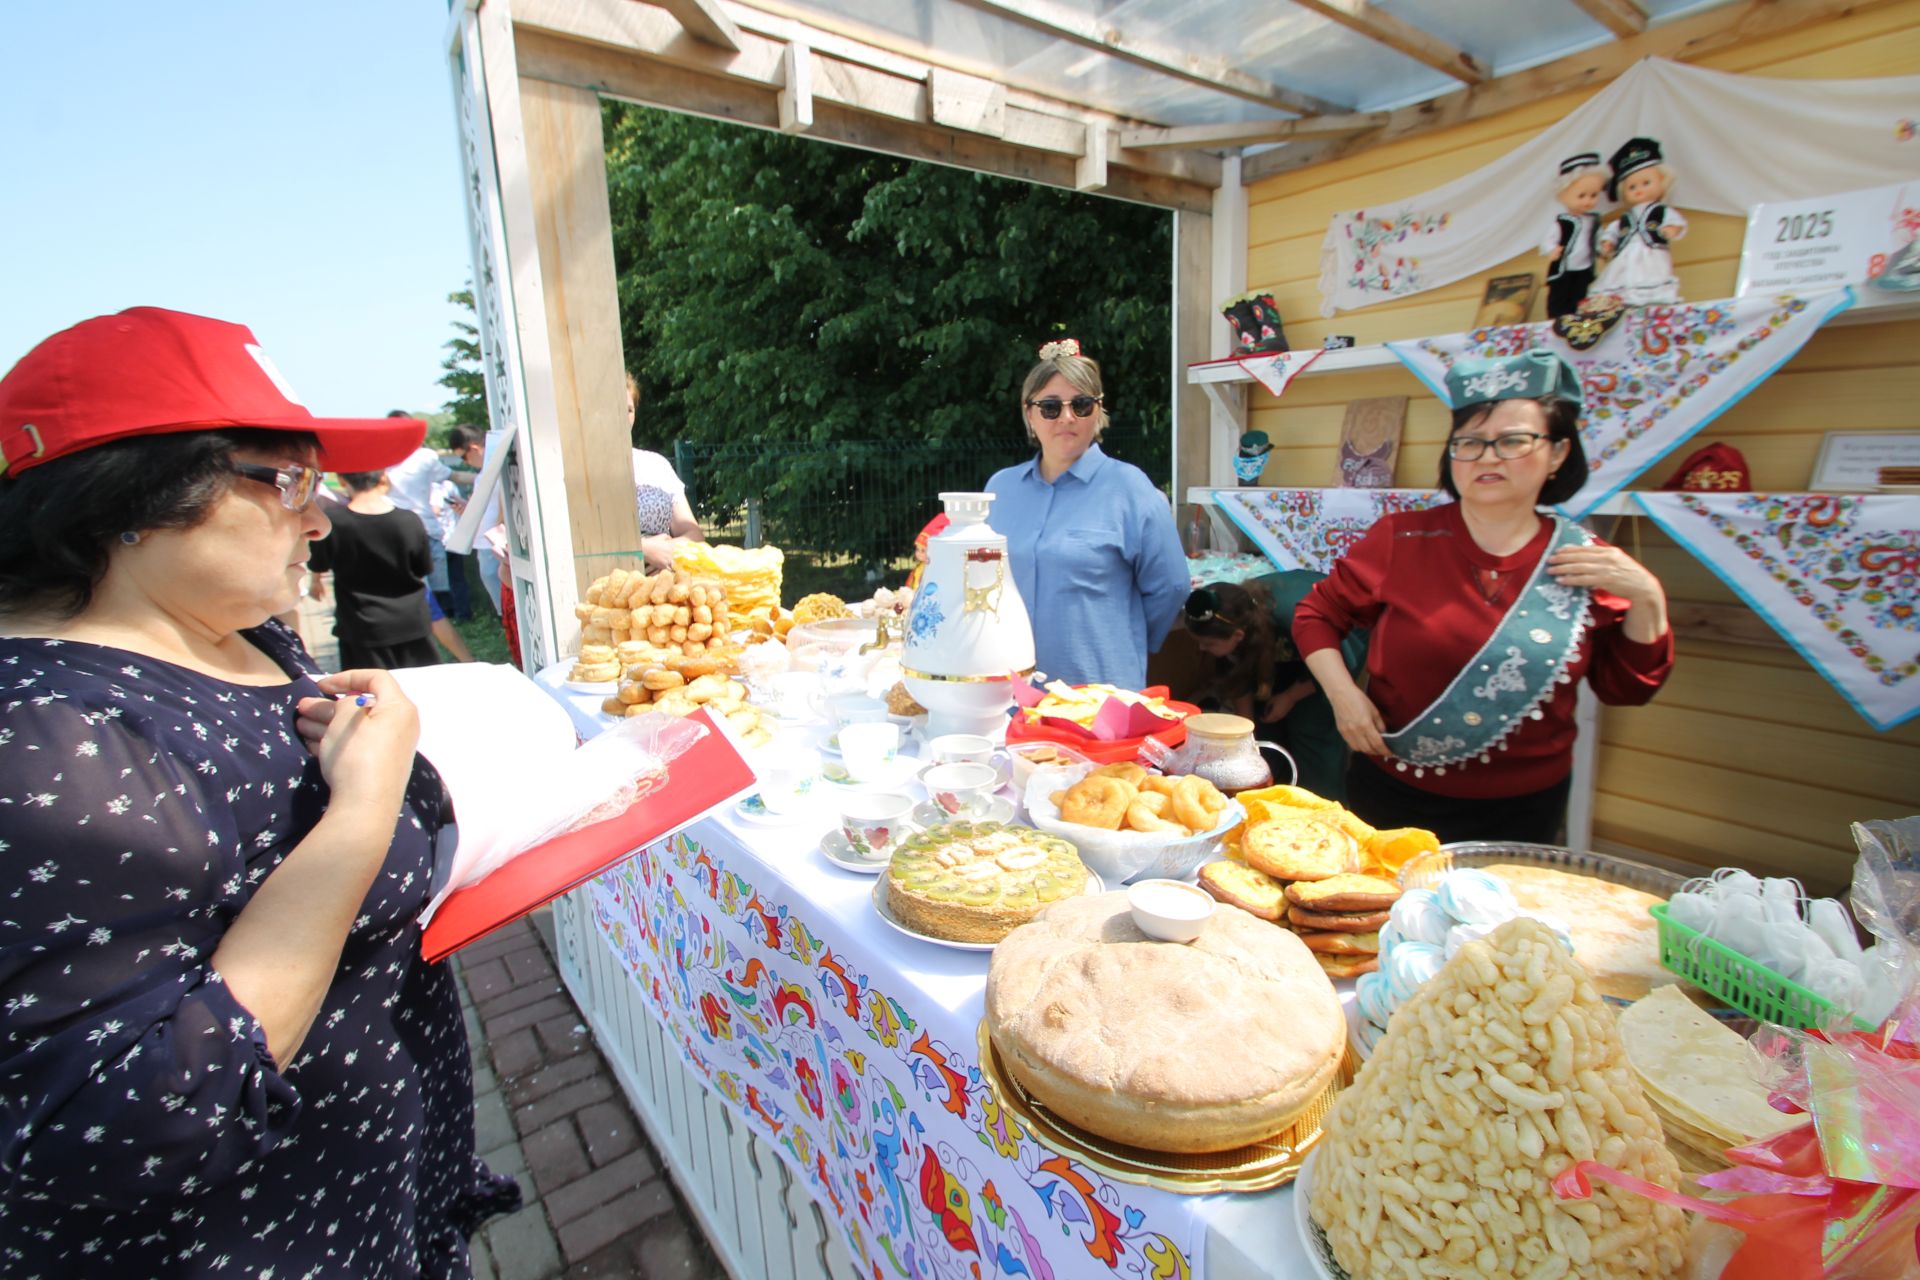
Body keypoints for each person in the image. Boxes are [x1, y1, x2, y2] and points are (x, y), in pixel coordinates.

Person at [0, 307, 518, 1274]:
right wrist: (364, 814)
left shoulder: (237, 632)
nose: (318, 518)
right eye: (285, 479)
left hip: (370, 1199)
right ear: (128, 497)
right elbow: (133, 1112)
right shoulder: (50, 739)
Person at [1295, 348, 1672, 844]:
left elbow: (1628, 690)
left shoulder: (1589, 562)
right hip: (1392, 793)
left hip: (1524, 811)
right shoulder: (1400, 539)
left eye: (1513, 441)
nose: (1488, 457)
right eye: (1469, 442)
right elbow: (1317, 614)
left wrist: (1648, 598)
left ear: (1558, 453)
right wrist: (1343, 696)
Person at [985, 338, 1188, 689]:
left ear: (1098, 411)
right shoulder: (1000, 490)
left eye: (1081, 404)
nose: (1067, 417)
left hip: (1098, 693)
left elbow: (1171, 586)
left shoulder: (1131, 489)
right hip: (1010, 691)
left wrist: (1126, 638)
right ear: (1029, 413)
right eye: (1050, 407)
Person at [1183, 572, 1367, 801]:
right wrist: (1248, 740)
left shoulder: (1297, 616)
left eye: (1208, 644)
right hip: (1281, 650)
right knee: (1266, 725)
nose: (1201, 648)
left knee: (1310, 727)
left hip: (1335, 650)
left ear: (1239, 635)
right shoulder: (1224, 612)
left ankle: (1319, 805)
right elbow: (1238, 679)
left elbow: (1335, 671)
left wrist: (1290, 697)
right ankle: (1272, 798)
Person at [308, 469, 441, 670]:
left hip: (362, 625)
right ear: (382, 478)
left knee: (369, 696)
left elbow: (319, 563)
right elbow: (422, 568)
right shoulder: (409, 520)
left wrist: (315, 581)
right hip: (411, 621)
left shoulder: (333, 522)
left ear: (342, 480)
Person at [1592, 136, 1688, 307]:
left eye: (1646, 183)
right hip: (1625, 254)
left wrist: (1673, 229)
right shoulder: (1625, 217)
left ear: (1662, 181)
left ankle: (1652, 297)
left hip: (1651, 251)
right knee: (1620, 276)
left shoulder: (1660, 211)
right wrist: (1608, 241)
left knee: (1651, 274)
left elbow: (1676, 222)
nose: (1639, 190)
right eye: (1632, 187)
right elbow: (1614, 229)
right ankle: (1623, 299)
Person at [625, 372, 704, 570]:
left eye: (628, 409)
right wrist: (643, 549)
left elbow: (694, 536)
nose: (623, 417)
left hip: (663, 592)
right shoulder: (581, 473)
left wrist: (669, 549)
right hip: (606, 591)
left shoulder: (656, 465)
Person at [1540, 151, 1609, 320]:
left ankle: (1579, 318)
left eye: (1593, 195)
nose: (1588, 201)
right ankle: (1558, 317)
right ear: (1563, 195)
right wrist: (1552, 249)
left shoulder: (1593, 221)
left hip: (1585, 266)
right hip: (1564, 267)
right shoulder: (1562, 221)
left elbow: (1597, 238)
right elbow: (1549, 239)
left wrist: (1603, 248)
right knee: (1560, 294)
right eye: (1581, 195)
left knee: (1582, 293)